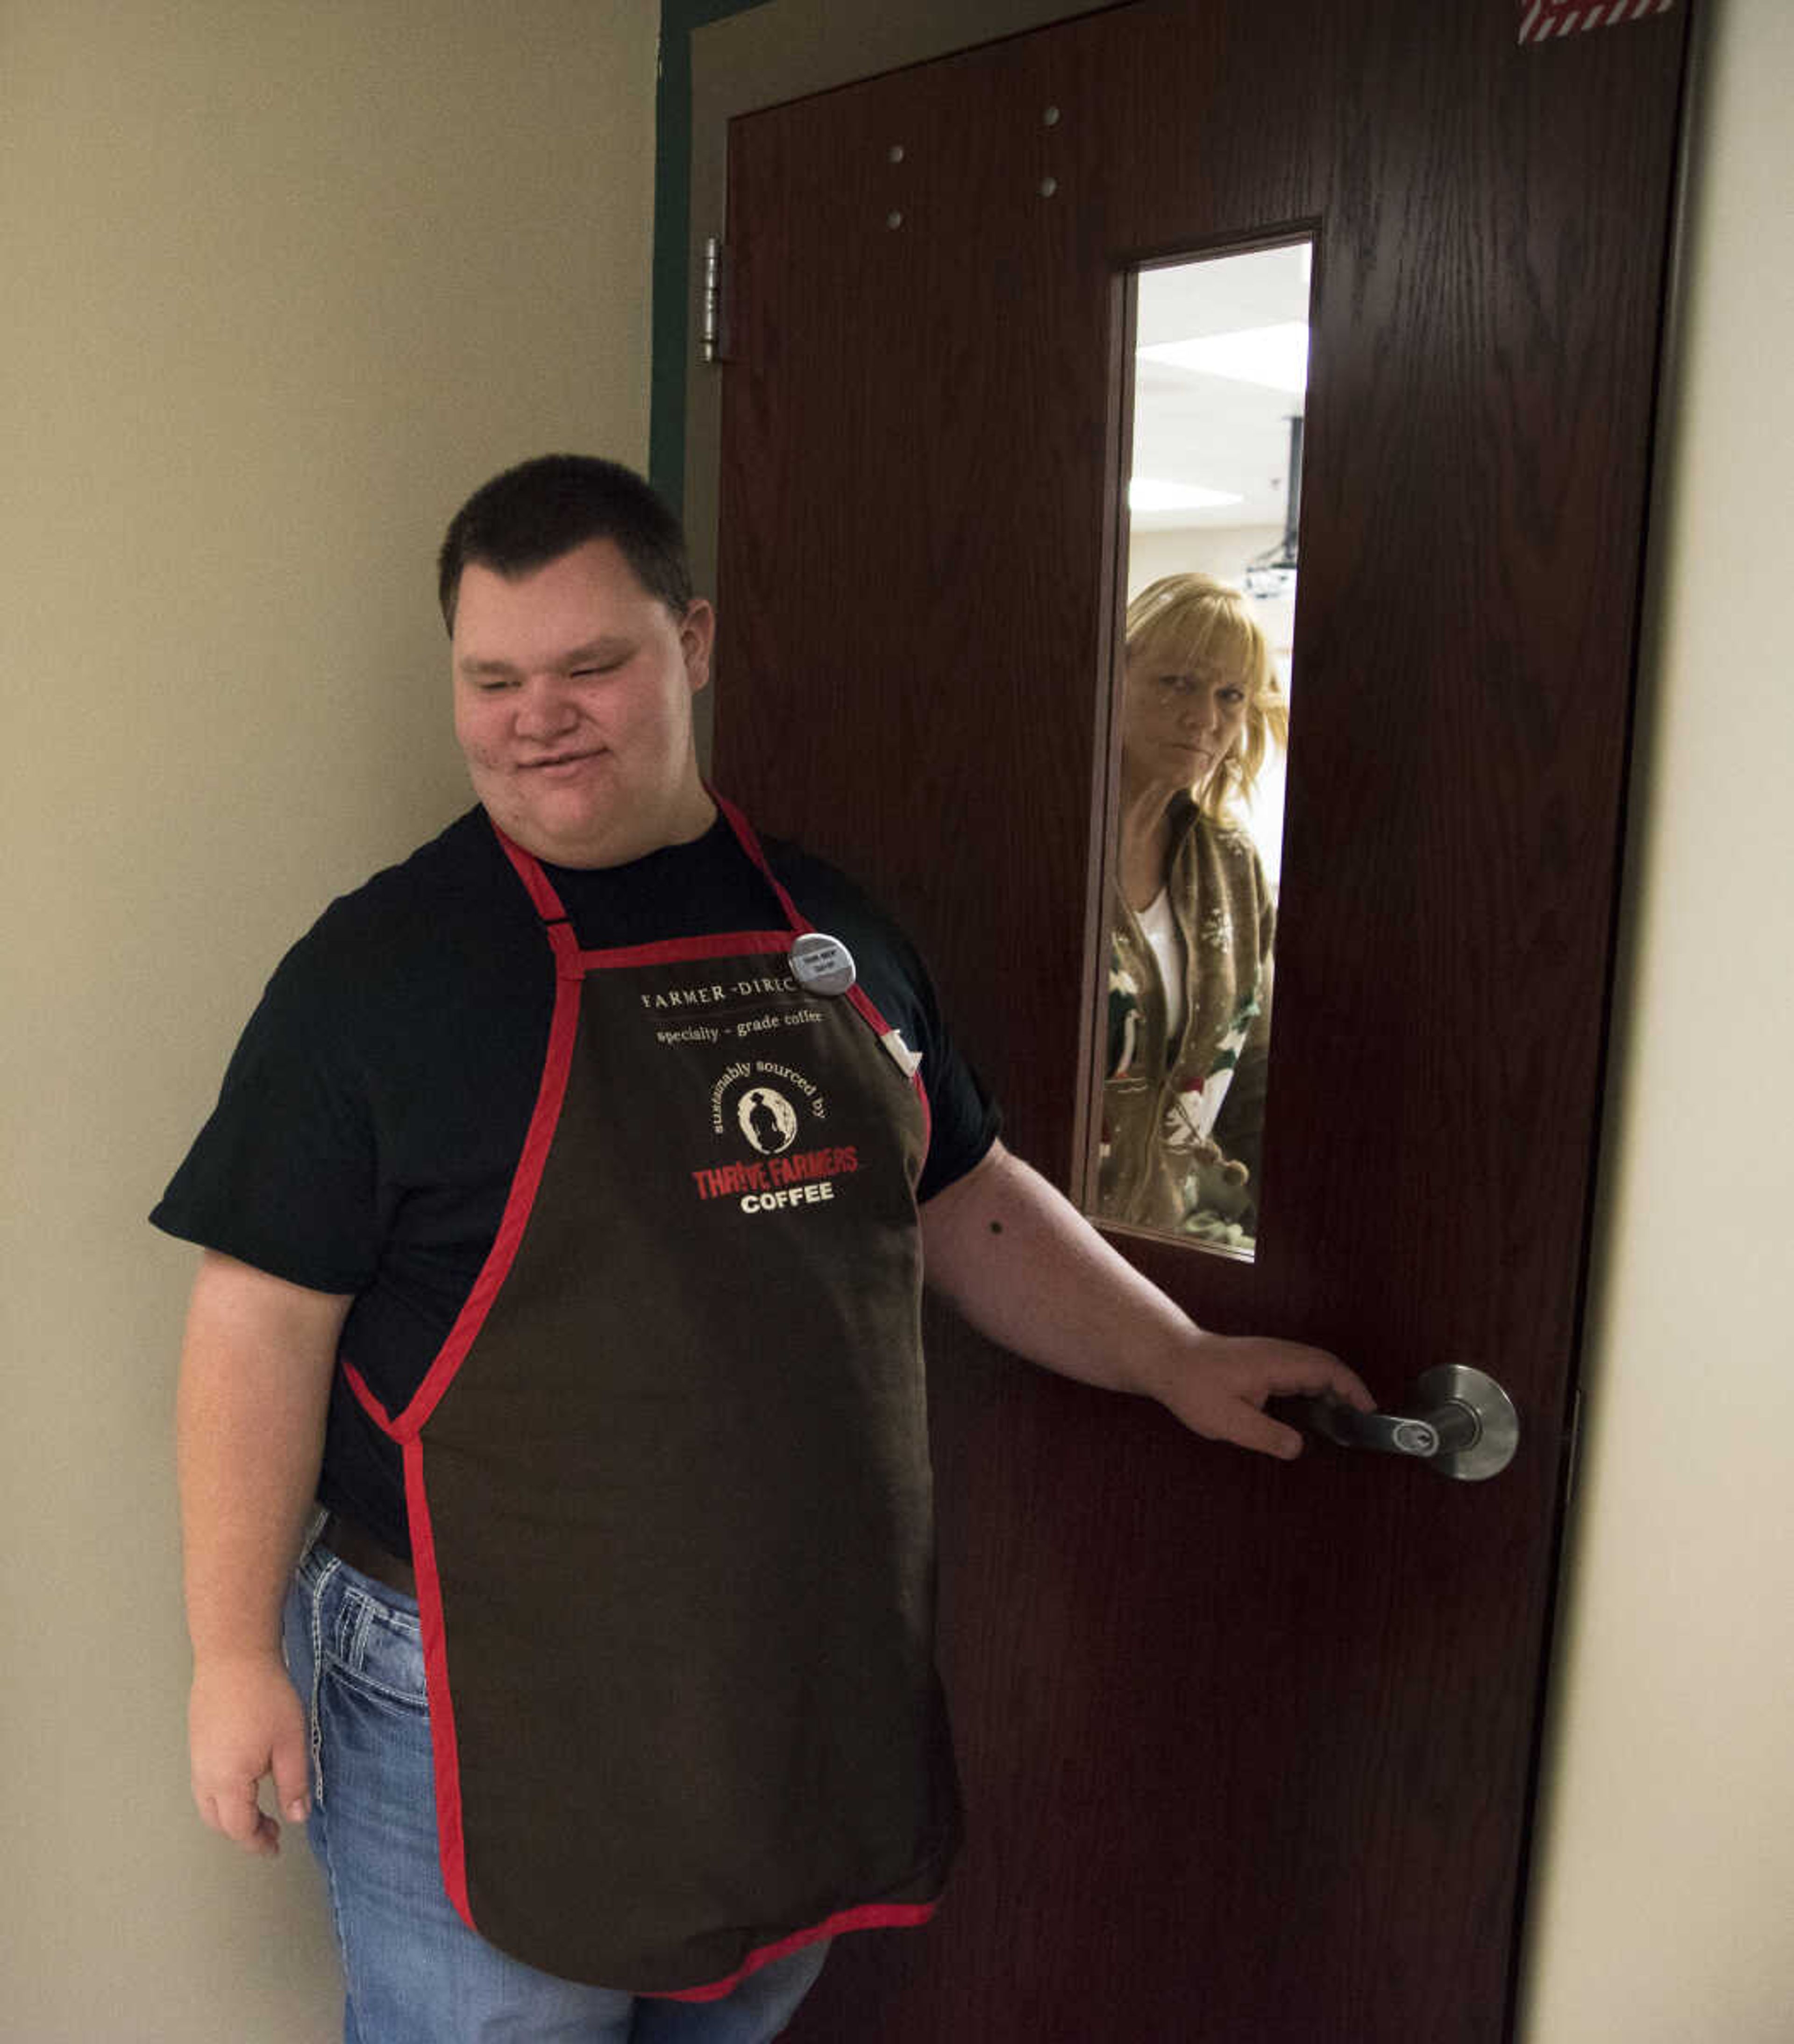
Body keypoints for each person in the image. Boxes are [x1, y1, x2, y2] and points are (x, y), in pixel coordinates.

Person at [157, 456, 1368, 2044]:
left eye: (593, 664)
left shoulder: (836, 929)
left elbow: (965, 1190)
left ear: (695, 641)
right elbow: (256, 1322)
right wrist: (234, 1651)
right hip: (474, 1675)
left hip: (783, 1655)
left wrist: (1176, 1354)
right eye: (494, 676)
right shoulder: (376, 978)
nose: (542, 713)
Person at [1099, 573, 1289, 1249]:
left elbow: (1254, 1078)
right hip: (1036, 1241)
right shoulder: (1050, 851)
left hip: (1170, 1244)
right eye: (1177, 683)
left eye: (1229, 696)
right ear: (1113, 678)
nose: (1204, 718)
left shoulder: (1232, 865)